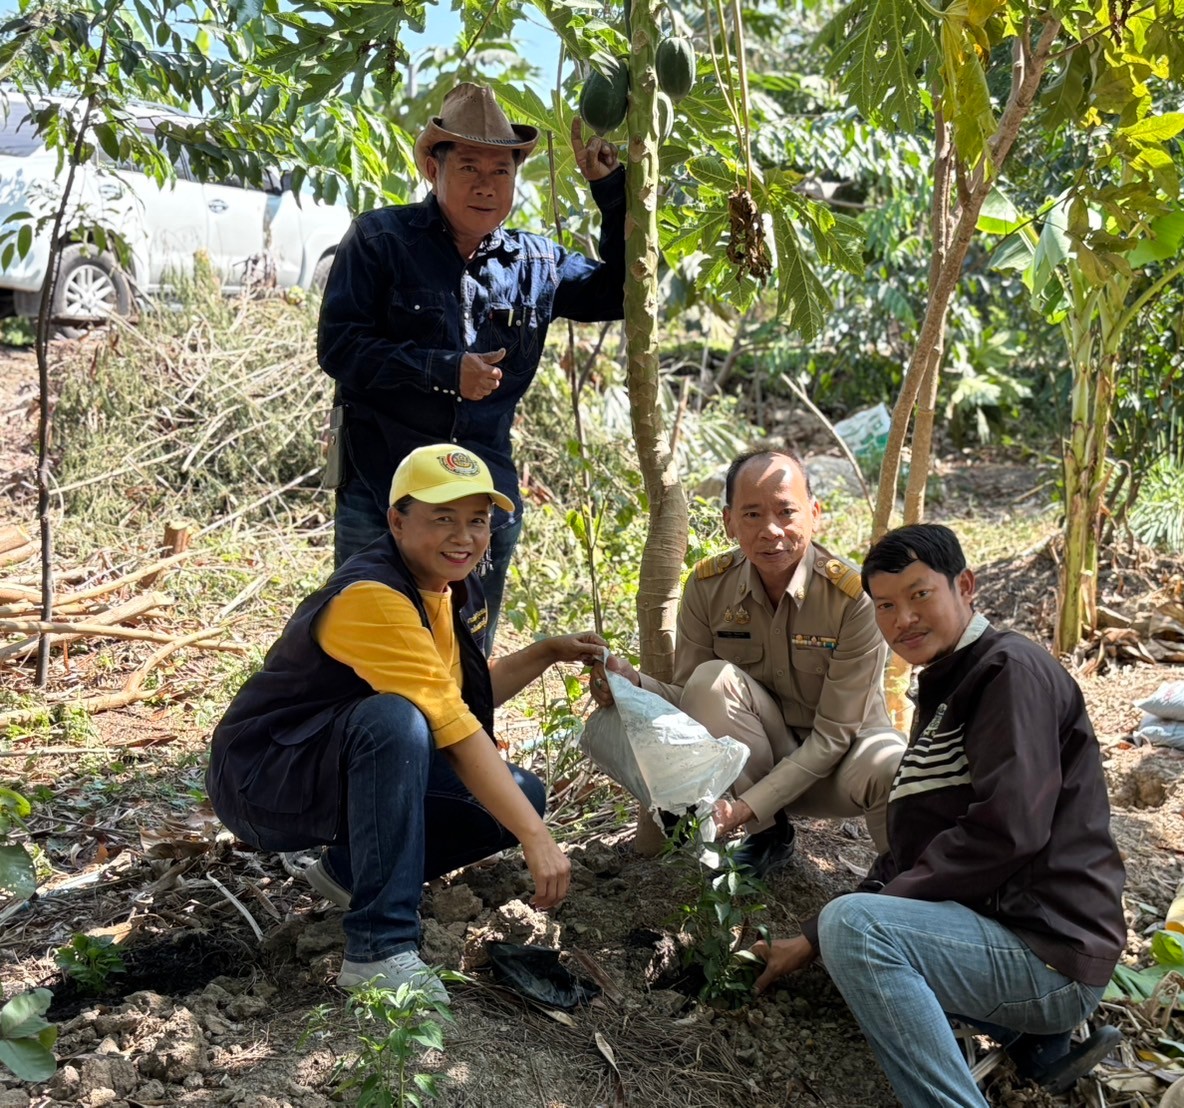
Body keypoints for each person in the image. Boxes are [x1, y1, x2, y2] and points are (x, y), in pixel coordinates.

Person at [208, 444, 601, 1002]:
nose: (463, 537)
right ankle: (379, 948)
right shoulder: (373, 596)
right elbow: (453, 729)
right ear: (396, 520)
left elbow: (460, 697)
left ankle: (347, 874)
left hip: (327, 764)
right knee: (397, 720)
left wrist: (544, 653)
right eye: (442, 518)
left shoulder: (445, 587)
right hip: (264, 779)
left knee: (519, 795)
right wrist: (537, 841)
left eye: (477, 521)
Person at [751, 524, 1127, 1107]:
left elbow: (1009, 829)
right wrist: (809, 937)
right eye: (886, 606)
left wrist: (837, 927)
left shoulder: (1008, 673)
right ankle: (1030, 1041)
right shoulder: (948, 685)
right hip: (1004, 936)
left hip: (1047, 952)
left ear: (966, 586)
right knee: (845, 935)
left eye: (920, 595)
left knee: (857, 929)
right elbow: (914, 852)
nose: (903, 619)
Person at [318, 81, 626, 642]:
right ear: (433, 171)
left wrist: (610, 191)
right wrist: (442, 369)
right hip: (384, 484)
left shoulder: (536, 261)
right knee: (366, 639)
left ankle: (463, 729)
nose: (486, 185)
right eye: (469, 168)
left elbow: (620, 293)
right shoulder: (379, 239)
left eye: (501, 171)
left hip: (481, 494)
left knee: (465, 646)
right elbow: (339, 347)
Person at [593, 449, 904, 877]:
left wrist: (740, 809)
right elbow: (693, 700)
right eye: (753, 515)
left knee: (893, 764)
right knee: (711, 678)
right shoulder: (708, 588)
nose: (771, 530)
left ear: (815, 513)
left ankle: (906, 881)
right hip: (756, 764)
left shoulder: (853, 599)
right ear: (729, 522)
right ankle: (769, 836)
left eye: (786, 511)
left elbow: (833, 738)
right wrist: (634, 684)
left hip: (841, 767)